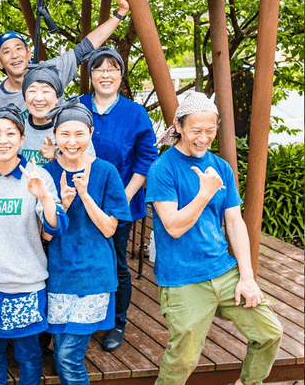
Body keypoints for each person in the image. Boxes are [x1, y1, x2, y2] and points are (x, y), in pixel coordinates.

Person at [146, 92, 282, 385]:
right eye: (196, 130)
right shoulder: (162, 169)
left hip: (224, 270)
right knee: (183, 358)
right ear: (179, 126)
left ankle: (248, 382)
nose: (203, 138)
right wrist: (204, 192)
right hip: (183, 278)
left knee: (270, 333)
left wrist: (247, 277)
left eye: (210, 130)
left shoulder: (221, 167)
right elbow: (173, 227)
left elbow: (234, 222)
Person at [0, 104, 68, 385]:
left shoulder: (37, 174)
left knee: (28, 354)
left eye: (11, 133)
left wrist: (45, 197)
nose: (3, 140)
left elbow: (55, 227)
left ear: (22, 139)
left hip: (27, 281)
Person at [42, 100, 131, 385]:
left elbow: (109, 229)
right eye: (65, 134)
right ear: (55, 135)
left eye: (79, 134)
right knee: (60, 354)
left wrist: (85, 195)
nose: (72, 141)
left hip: (95, 276)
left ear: (91, 133)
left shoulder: (106, 172)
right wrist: (64, 204)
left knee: (69, 355)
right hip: (58, 274)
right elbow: (45, 233)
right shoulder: (45, 173)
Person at [76, 46, 157, 351]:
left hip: (121, 202)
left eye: (112, 69)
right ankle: (85, 318)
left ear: (121, 75)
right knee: (83, 258)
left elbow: (147, 158)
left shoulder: (135, 112)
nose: (105, 74)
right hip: (81, 201)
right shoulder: (78, 105)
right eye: (99, 69)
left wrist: (122, 198)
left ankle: (116, 322)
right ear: (90, 75)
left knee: (116, 262)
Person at [0, 0, 130, 112]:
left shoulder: (50, 71)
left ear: (28, 51)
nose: (15, 55)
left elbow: (86, 47)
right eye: (7, 52)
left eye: (19, 48)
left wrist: (120, 12)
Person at [19, 64, 94, 165]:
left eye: (46, 91)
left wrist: (57, 156)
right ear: (25, 97)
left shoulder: (74, 127)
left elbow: (91, 169)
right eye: (32, 91)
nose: (39, 98)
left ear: (56, 98)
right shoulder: (16, 130)